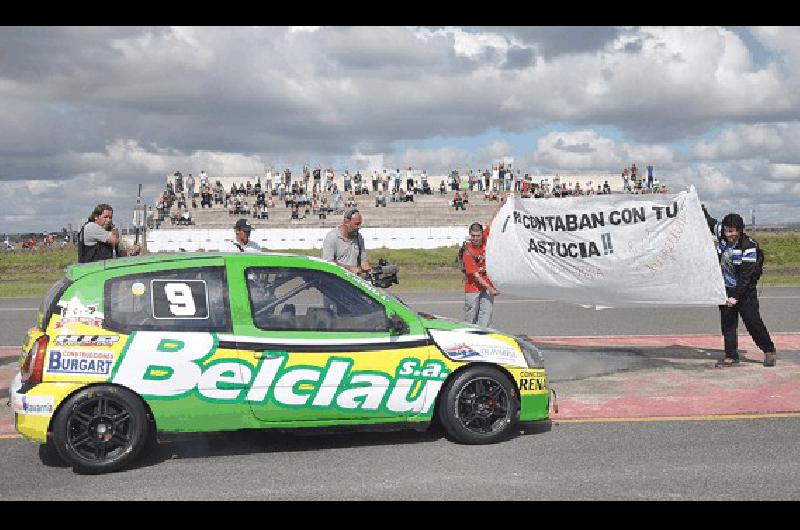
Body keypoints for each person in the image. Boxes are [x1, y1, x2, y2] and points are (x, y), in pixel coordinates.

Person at [703, 205, 776, 367]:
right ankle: (731, 355)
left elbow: (746, 277)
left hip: (744, 291)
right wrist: (697, 203)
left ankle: (768, 350)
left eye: (734, 231)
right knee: (728, 323)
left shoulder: (748, 247)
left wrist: (735, 296)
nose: (731, 235)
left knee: (752, 322)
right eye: (728, 231)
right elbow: (709, 222)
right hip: (726, 288)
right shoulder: (721, 232)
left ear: (741, 230)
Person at [463, 220, 499, 328]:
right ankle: (469, 337)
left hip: (487, 285)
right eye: (473, 236)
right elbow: (476, 275)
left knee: (486, 314)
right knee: (471, 315)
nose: (475, 238)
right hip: (473, 287)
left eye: (478, 235)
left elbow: (493, 221)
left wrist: (503, 204)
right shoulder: (467, 251)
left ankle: (483, 335)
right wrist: (490, 288)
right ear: (470, 235)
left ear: (482, 234)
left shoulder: (485, 239)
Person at [322, 209, 370, 274]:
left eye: (360, 224)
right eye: (357, 224)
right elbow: (328, 263)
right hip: (337, 280)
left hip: (354, 280)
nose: (359, 227)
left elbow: (363, 260)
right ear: (347, 222)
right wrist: (349, 269)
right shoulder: (332, 237)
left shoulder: (359, 237)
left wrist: (369, 270)